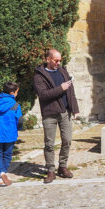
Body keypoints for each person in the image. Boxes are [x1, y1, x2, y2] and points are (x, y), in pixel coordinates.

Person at [33, 49, 79, 183]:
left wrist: (75, 109)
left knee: (67, 140)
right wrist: (61, 88)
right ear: (48, 59)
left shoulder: (62, 71)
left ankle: (63, 167)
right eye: (56, 60)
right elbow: (43, 95)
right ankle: (51, 170)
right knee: (49, 144)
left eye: (60, 60)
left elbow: (71, 91)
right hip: (49, 114)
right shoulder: (39, 75)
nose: (59, 63)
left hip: (65, 112)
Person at [0, 82, 23, 186]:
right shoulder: (15, 105)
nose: (16, 94)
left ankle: (1, 174)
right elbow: (20, 120)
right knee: (7, 154)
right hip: (10, 133)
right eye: (16, 92)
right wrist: (18, 128)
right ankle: (3, 173)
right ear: (12, 93)